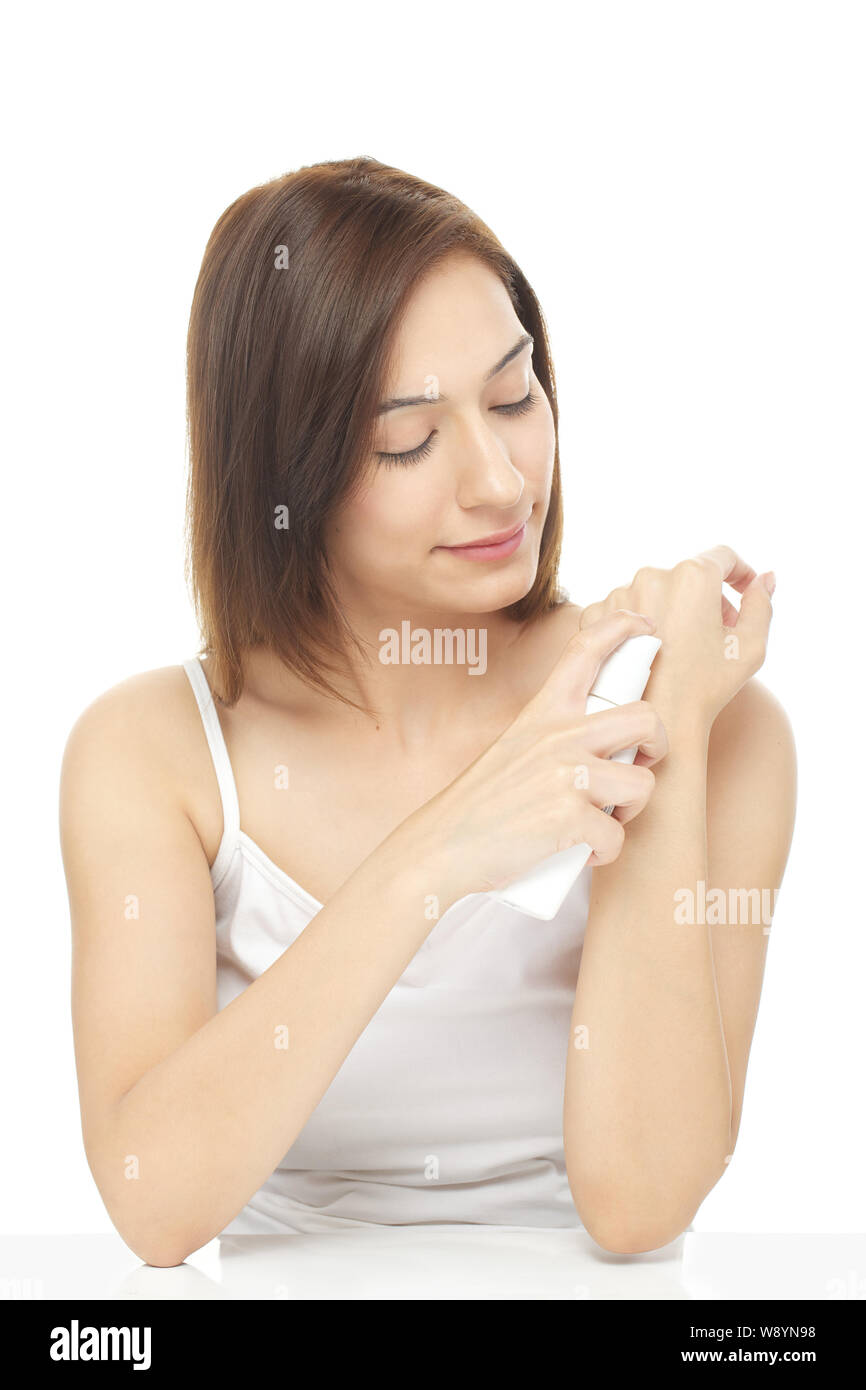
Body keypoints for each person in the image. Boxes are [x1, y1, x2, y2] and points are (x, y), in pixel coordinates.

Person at [59, 157, 796, 1267]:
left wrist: (668, 734)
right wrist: (440, 854)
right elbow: (153, 1205)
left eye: (513, 396)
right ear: (284, 476)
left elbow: (639, 1201)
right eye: (408, 439)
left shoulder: (714, 720)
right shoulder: (152, 752)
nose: (499, 481)